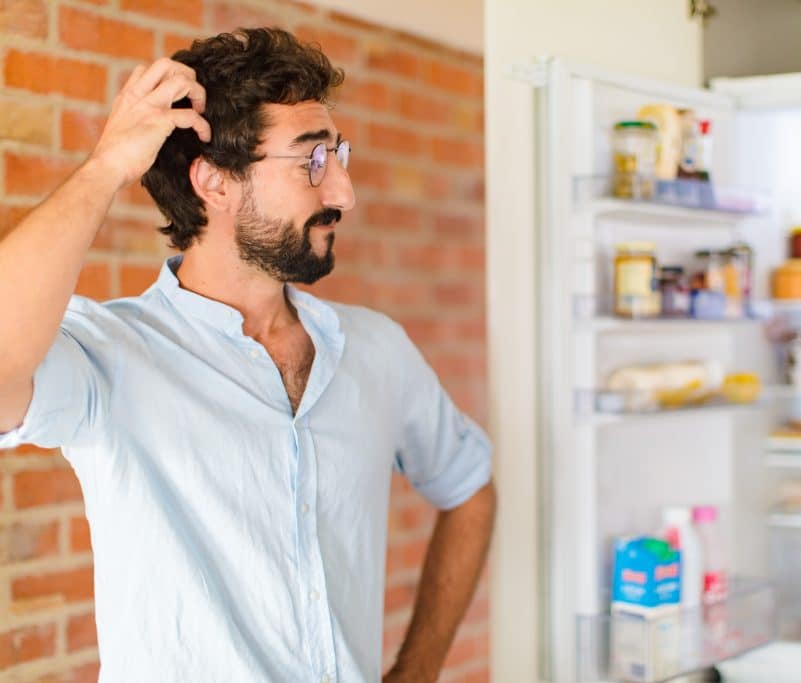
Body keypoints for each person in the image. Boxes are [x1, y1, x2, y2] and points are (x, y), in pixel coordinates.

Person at [0, 27, 495, 683]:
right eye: (313, 162)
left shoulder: (377, 349)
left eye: (337, 156)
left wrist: (419, 668)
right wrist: (106, 168)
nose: (343, 191)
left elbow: (469, 489)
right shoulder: (110, 356)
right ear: (215, 183)